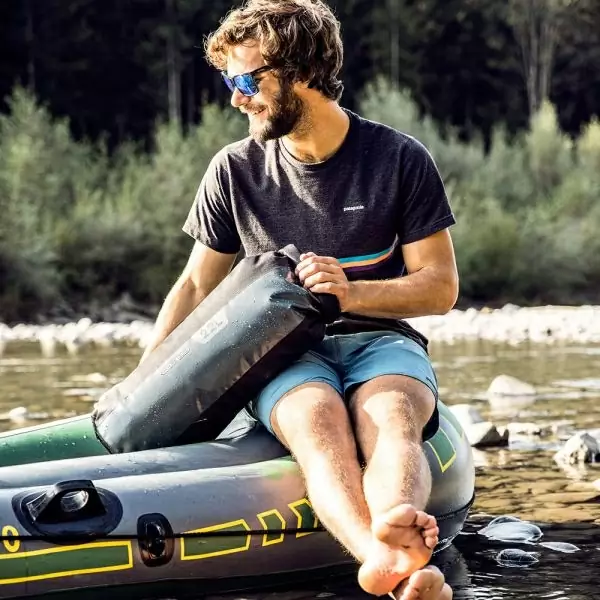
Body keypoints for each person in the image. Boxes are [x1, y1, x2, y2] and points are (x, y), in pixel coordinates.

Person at [140, 1, 459, 598]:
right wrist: (144, 388)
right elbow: (195, 286)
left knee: (392, 416)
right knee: (317, 423)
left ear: (304, 72)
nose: (237, 100)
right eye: (230, 83)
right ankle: (384, 557)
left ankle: (395, 531)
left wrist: (352, 292)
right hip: (282, 355)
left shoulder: (399, 159)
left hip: (380, 340)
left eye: (247, 82)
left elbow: (440, 287)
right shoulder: (234, 170)